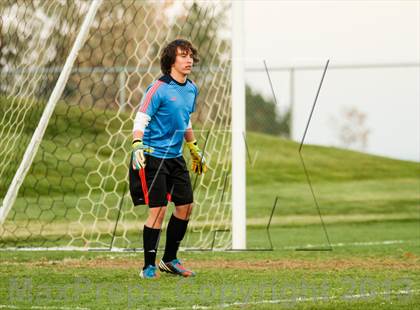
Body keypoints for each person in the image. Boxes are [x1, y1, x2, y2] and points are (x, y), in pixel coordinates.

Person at [129, 39, 207, 279]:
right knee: (159, 210)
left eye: (191, 55)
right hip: (153, 157)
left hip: (175, 158)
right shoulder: (158, 88)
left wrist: (193, 147)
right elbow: (141, 118)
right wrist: (137, 144)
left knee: (186, 207)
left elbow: (185, 121)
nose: (189, 60)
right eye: (183, 56)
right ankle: (148, 267)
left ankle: (170, 260)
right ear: (171, 61)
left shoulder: (191, 89)